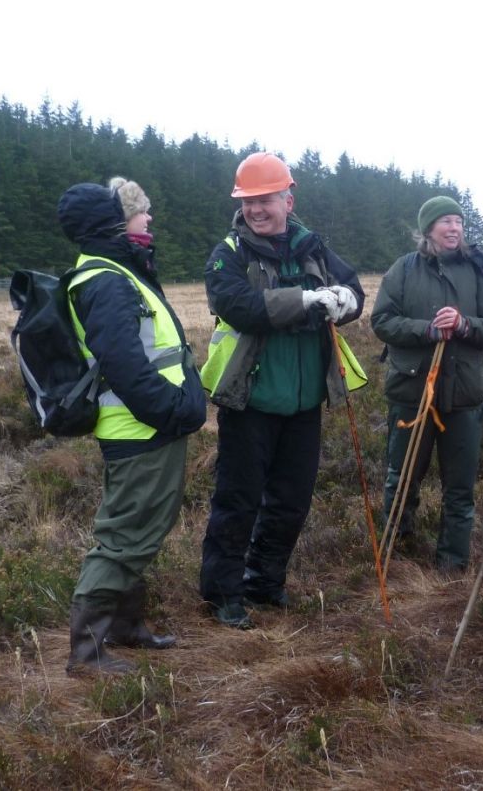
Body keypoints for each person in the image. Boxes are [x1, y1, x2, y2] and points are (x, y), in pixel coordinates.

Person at [199, 152, 365, 629]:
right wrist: (307, 300)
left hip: (305, 400)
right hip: (248, 400)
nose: (256, 209)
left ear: (288, 199)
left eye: (265, 199)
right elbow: (239, 306)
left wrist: (345, 300)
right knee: (238, 500)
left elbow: (352, 286)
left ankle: (265, 582)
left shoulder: (312, 247)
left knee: (292, 500)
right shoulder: (228, 252)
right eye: (248, 201)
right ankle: (223, 593)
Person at [57, 177, 206, 675]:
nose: (148, 220)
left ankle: (125, 627)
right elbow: (125, 364)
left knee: (140, 529)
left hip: (145, 427)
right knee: (125, 538)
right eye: (139, 213)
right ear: (114, 222)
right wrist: (172, 409)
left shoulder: (112, 271)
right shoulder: (105, 280)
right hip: (141, 430)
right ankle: (86, 652)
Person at [370, 196, 483, 572]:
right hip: (412, 394)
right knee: (402, 479)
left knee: (460, 490)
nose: (455, 228)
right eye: (446, 221)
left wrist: (465, 325)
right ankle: (395, 556)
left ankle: (452, 566)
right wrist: (427, 330)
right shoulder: (403, 270)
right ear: (428, 229)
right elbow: (382, 321)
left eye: (459, 222)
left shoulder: (476, 272)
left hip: (464, 396)